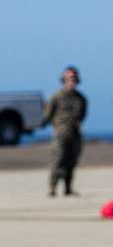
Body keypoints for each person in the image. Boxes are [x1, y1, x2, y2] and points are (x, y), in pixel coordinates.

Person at [43, 66, 87, 196]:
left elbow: (82, 116)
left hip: (75, 133)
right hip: (60, 134)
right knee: (58, 160)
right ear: (64, 80)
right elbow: (48, 115)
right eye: (69, 79)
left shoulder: (81, 98)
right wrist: (58, 126)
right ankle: (52, 188)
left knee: (71, 161)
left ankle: (68, 188)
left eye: (74, 79)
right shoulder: (56, 97)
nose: (72, 81)